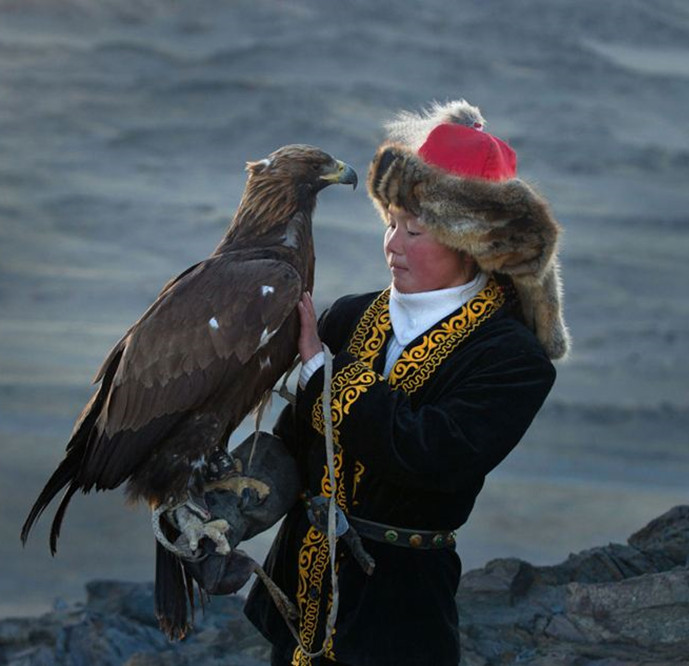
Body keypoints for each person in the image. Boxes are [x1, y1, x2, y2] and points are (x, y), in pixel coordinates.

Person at [243, 99, 569, 666]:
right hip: (301, 592)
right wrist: (227, 505)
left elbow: (429, 455)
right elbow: (296, 444)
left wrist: (327, 374)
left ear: (471, 243)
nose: (392, 244)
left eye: (414, 230)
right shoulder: (347, 316)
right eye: (390, 223)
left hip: (400, 611)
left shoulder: (513, 359)